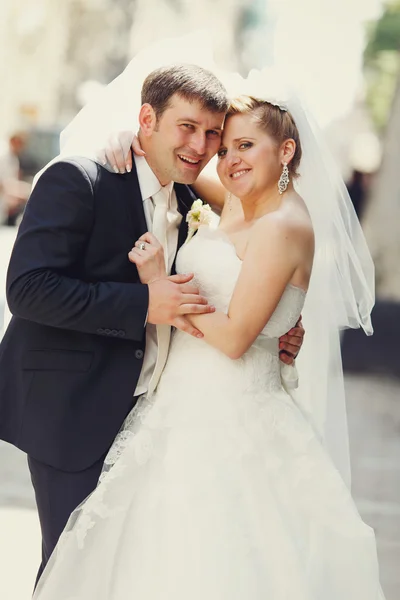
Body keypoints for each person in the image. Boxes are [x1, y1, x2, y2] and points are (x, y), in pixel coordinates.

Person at [31, 64, 384, 597]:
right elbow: (176, 169)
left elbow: (236, 337)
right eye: (225, 147)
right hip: (166, 406)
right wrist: (135, 137)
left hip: (227, 417)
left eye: (242, 144)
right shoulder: (234, 203)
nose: (226, 157)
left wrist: (157, 284)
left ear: (285, 151)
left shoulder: (285, 222)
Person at [0, 63, 303, 588]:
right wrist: (143, 302)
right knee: (72, 572)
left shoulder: (191, 196)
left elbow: (250, 265)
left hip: (156, 417)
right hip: (75, 407)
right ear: (146, 118)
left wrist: (275, 327)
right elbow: (27, 290)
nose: (203, 145)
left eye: (214, 134)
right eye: (186, 127)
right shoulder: (80, 177)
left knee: (133, 572)